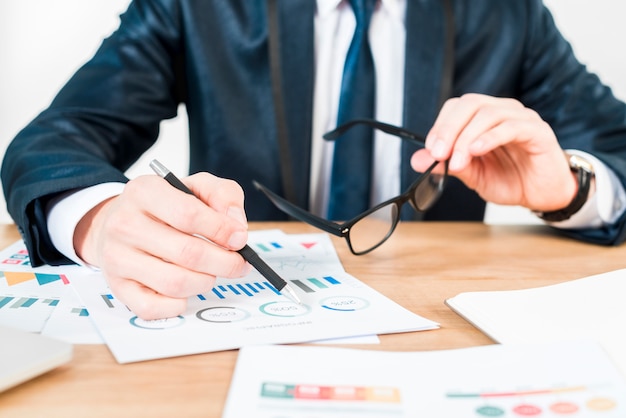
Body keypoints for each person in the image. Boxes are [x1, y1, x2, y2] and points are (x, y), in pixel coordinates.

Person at [3, 0, 626, 320]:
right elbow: (56, 141)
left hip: (432, 325)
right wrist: (101, 220)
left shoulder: (504, 12)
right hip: (237, 319)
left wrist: (571, 187)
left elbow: (615, 144)